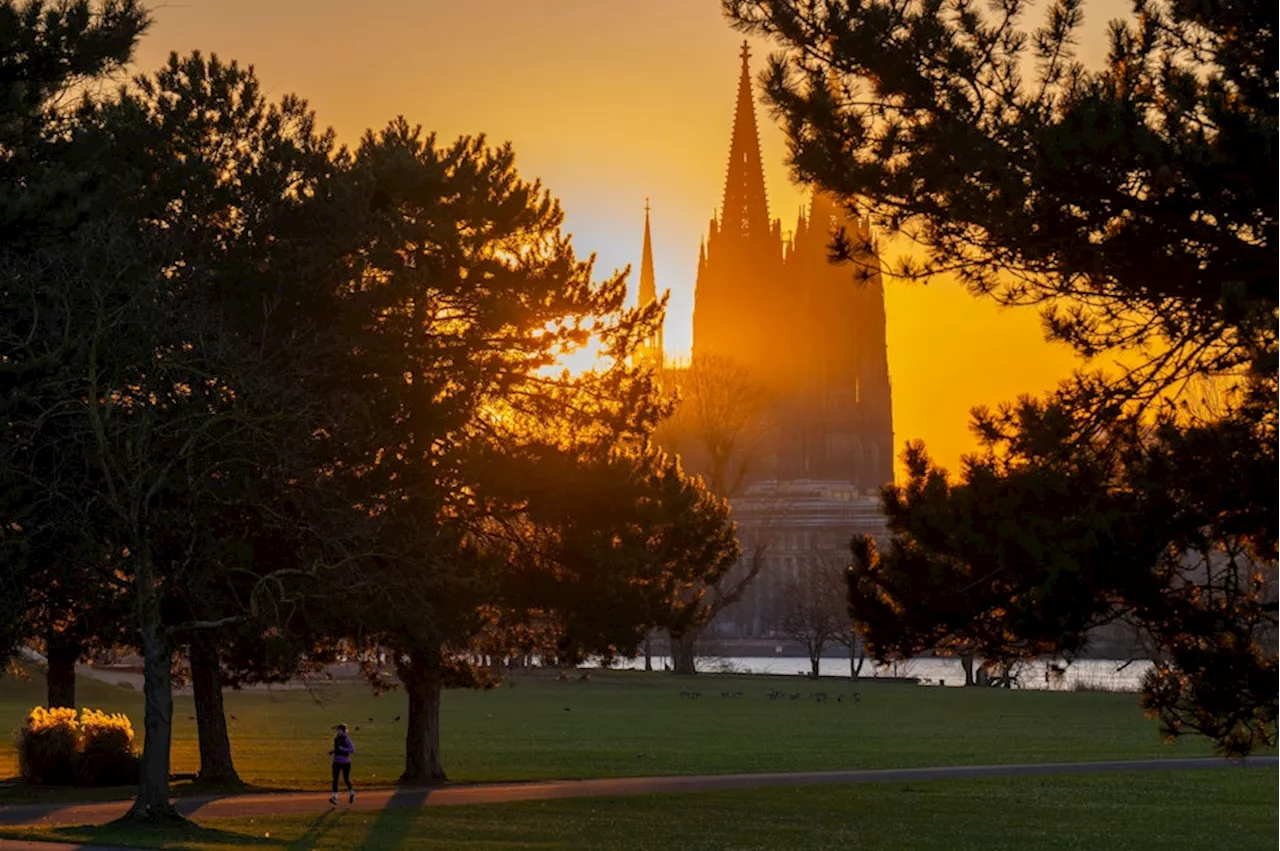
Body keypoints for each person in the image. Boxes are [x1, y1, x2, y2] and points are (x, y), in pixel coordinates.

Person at [328, 723, 355, 805]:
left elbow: (352, 749)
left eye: (339, 730)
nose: (338, 731)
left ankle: (351, 793)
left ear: (343, 731)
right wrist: (333, 751)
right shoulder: (336, 739)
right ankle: (335, 798)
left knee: (346, 779)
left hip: (345, 762)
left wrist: (342, 749)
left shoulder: (346, 739)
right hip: (336, 761)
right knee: (335, 779)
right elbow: (337, 749)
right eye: (337, 730)